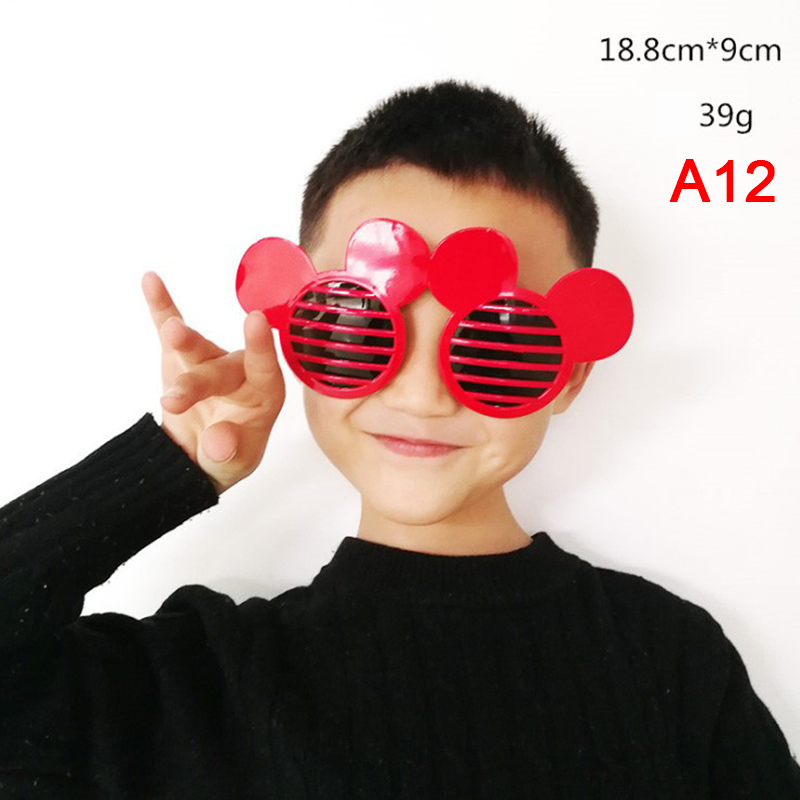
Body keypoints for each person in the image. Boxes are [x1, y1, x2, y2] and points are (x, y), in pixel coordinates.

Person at [1, 80, 798, 799]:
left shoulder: (669, 663)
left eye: (499, 340)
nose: (422, 394)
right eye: (356, 326)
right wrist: (167, 469)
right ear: (291, 332)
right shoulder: (194, 684)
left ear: (568, 375)